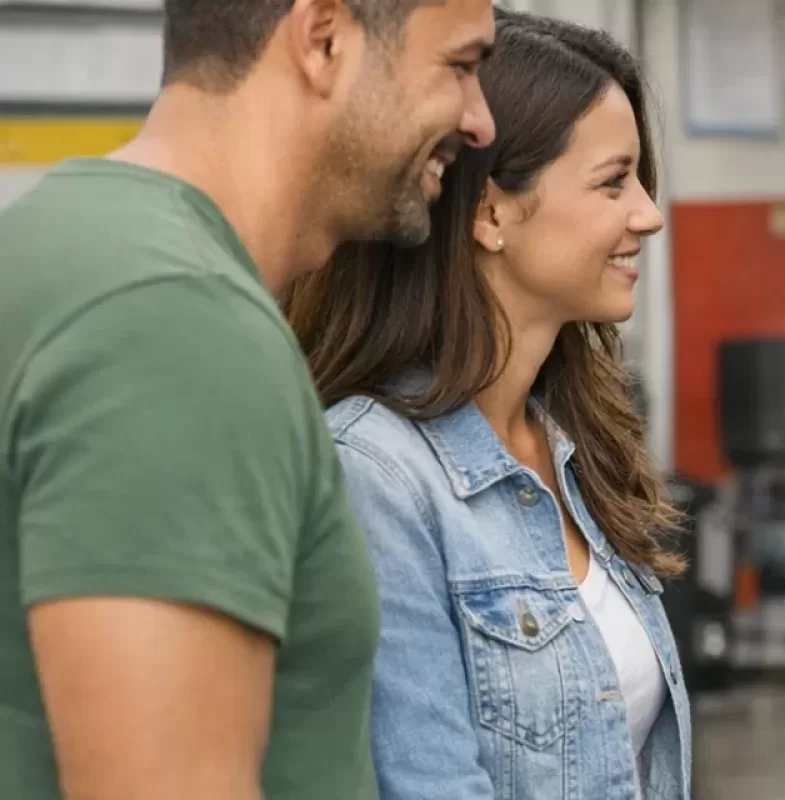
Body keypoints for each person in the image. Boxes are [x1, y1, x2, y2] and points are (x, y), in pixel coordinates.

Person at [0, 0, 495, 797]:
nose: (481, 124)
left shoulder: (57, 243)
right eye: (462, 68)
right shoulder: (180, 324)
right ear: (324, 39)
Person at [281, 10, 691, 799]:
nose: (649, 213)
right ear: (490, 212)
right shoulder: (376, 478)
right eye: (614, 182)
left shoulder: (572, 443)